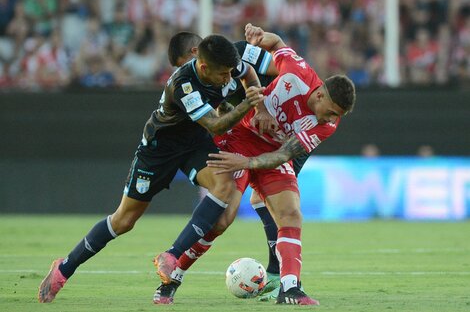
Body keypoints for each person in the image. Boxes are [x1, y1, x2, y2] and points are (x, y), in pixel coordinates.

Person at [37, 34, 265, 303]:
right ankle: (63, 269)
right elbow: (216, 126)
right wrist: (246, 105)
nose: (229, 79)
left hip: (194, 145)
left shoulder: (228, 65)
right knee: (124, 221)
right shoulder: (183, 84)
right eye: (223, 74)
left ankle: (171, 255)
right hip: (158, 150)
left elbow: (248, 72)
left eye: (230, 72)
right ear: (204, 68)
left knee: (223, 184)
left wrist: (260, 107)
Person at [205, 23, 356, 305]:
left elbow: (286, 154)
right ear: (321, 94)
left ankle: (284, 280)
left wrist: (247, 162)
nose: (332, 120)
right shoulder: (296, 72)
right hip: (263, 135)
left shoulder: (325, 124)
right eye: (332, 112)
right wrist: (262, 37)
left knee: (281, 207)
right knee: (263, 201)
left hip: (290, 145)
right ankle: (280, 278)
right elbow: (277, 44)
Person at [153, 31, 282, 304]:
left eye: (183, 65)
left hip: (274, 133)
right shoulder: (191, 83)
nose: (182, 72)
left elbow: (277, 66)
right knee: (221, 221)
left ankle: (280, 278)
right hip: (238, 141)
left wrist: (264, 106)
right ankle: (173, 277)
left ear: (195, 54)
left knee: (278, 204)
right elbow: (216, 118)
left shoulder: (231, 58)